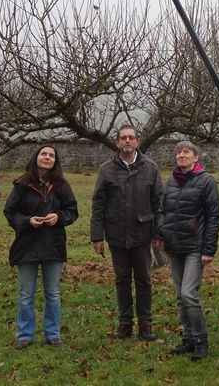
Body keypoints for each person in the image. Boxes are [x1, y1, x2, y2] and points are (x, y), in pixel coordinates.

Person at [91, 124, 163, 341]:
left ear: (137, 142)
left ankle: (145, 325)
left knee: (144, 280)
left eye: (131, 137)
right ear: (117, 142)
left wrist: (159, 234)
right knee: (122, 280)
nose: (128, 141)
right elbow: (98, 204)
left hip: (143, 234)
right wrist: (96, 236)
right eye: (123, 138)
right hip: (116, 235)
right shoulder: (106, 170)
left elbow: (159, 203)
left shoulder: (150, 168)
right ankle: (124, 324)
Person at [4, 145, 78, 348]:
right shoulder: (22, 184)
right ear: (36, 157)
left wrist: (59, 216)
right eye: (44, 154)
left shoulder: (61, 185)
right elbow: (10, 212)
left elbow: (72, 210)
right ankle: (24, 335)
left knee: (52, 293)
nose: (47, 157)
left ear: (55, 161)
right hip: (27, 245)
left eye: (51, 155)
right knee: (26, 294)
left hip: (53, 245)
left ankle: (52, 334)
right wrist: (27, 221)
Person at [158, 141, 219, 360]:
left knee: (188, 293)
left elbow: (214, 217)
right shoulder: (171, 181)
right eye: (178, 152)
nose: (181, 155)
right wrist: (160, 233)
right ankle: (188, 339)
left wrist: (209, 249)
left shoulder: (206, 182)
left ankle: (201, 341)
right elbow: (162, 211)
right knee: (179, 295)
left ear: (196, 158)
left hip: (195, 247)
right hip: (174, 246)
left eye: (186, 152)